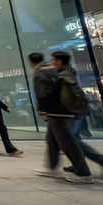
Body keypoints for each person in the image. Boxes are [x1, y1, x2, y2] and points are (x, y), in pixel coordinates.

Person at [29, 52, 93, 184]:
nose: (51, 61)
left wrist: (42, 111)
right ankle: (52, 167)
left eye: (53, 59)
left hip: (58, 113)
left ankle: (83, 172)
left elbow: (43, 94)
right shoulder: (54, 71)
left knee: (67, 143)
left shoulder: (41, 73)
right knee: (52, 140)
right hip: (63, 112)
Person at [53, 51, 103, 177]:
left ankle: (102, 161)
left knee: (70, 142)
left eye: (53, 60)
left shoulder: (64, 75)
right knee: (72, 141)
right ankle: (79, 164)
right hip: (74, 112)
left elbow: (65, 96)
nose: (51, 62)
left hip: (71, 113)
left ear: (59, 61)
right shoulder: (67, 72)